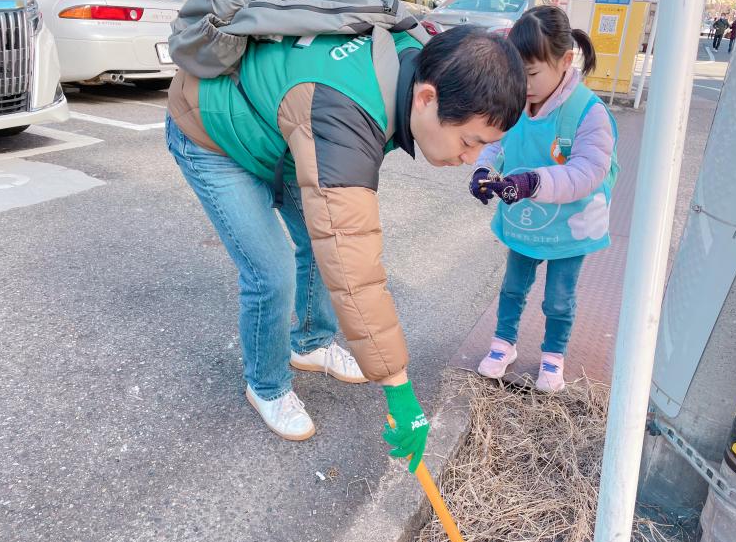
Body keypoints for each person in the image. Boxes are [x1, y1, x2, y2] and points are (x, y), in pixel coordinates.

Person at [165, 23, 526, 471]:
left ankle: (311, 343)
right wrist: (399, 389)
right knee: (272, 270)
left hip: (286, 132)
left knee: (319, 245)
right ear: (427, 98)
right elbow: (352, 261)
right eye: (470, 141)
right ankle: (267, 384)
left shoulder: (417, 58)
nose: (470, 159)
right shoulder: (345, 111)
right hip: (212, 129)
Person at [469, 6, 618, 392]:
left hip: (569, 227)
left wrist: (533, 181)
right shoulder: (517, 101)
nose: (525, 84)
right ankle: (503, 343)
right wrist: (483, 171)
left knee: (559, 297)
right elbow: (495, 141)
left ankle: (553, 356)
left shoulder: (588, 112)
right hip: (526, 220)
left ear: (565, 61)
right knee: (513, 286)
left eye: (531, 74)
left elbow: (589, 171)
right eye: (519, 74)